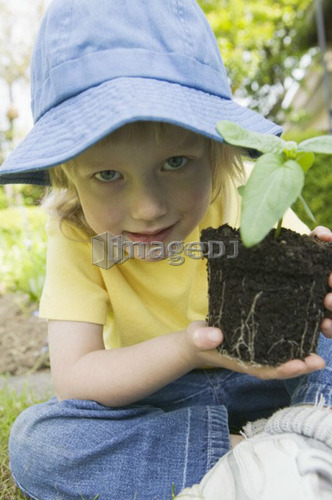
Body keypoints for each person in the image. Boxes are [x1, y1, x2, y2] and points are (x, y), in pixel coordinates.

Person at [0, 1, 331, 498]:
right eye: (107, 175)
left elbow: (310, 305)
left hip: (270, 377)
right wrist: (188, 347)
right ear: (67, 175)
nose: (148, 207)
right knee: (38, 442)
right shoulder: (76, 236)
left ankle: (299, 437)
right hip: (159, 402)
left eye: (175, 162)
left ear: (216, 152)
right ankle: (251, 454)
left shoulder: (246, 188)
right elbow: (76, 377)